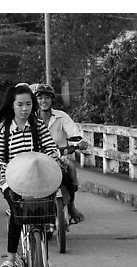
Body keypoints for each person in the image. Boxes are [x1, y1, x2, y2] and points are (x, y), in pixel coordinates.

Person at [0, 83, 60, 267]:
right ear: (12, 106)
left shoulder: (37, 126)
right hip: (12, 180)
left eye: (28, 104)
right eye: (20, 104)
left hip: (37, 179)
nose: (25, 109)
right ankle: (11, 258)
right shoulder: (3, 129)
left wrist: (55, 154)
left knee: (43, 216)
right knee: (18, 213)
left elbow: (50, 146)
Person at [34, 83, 87, 223]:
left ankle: (71, 206)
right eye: (40, 98)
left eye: (47, 97)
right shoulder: (31, 118)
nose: (43, 101)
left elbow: (75, 134)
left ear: (52, 100)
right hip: (36, 158)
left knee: (70, 168)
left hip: (59, 157)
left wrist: (79, 143)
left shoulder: (61, 116)